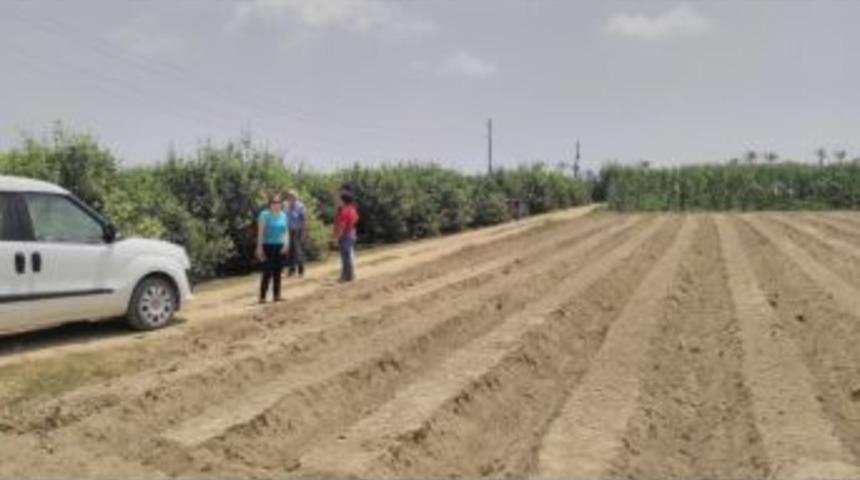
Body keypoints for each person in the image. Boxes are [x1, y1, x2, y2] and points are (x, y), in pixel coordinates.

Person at [256, 194, 289, 302]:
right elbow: (260, 232)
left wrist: (286, 244)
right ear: (269, 204)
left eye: (278, 202)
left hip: (280, 246)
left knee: (278, 272)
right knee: (267, 271)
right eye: (274, 203)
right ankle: (262, 297)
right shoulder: (264, 215)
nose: (276, 205)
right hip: (267, 246)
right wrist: (259, 247)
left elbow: (286, 231)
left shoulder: (283, 215)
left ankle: (277, 295)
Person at [333, 191, 359, 282]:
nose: (337, 200)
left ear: (343, 200)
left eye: (339, 199)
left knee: (345, 256)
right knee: (347, 255)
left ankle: (347, 276)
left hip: (345, 235)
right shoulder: (352, 208)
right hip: (351, 234)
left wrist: (336, 237)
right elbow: (355, 219)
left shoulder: (344, 211)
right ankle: (348, 275)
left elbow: (342, 226)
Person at [284, 190, 307, 277]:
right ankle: (291, 270)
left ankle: (301, 270)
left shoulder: (300, 206)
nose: (290, 198)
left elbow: (304, 219)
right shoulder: (286, 206)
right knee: (290, 251)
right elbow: (284, 219)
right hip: (289, 230)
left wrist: (304, 231)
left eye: (292, 196)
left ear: (295, 197)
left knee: (298, 250)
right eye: (289, 196)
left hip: (298, 230)